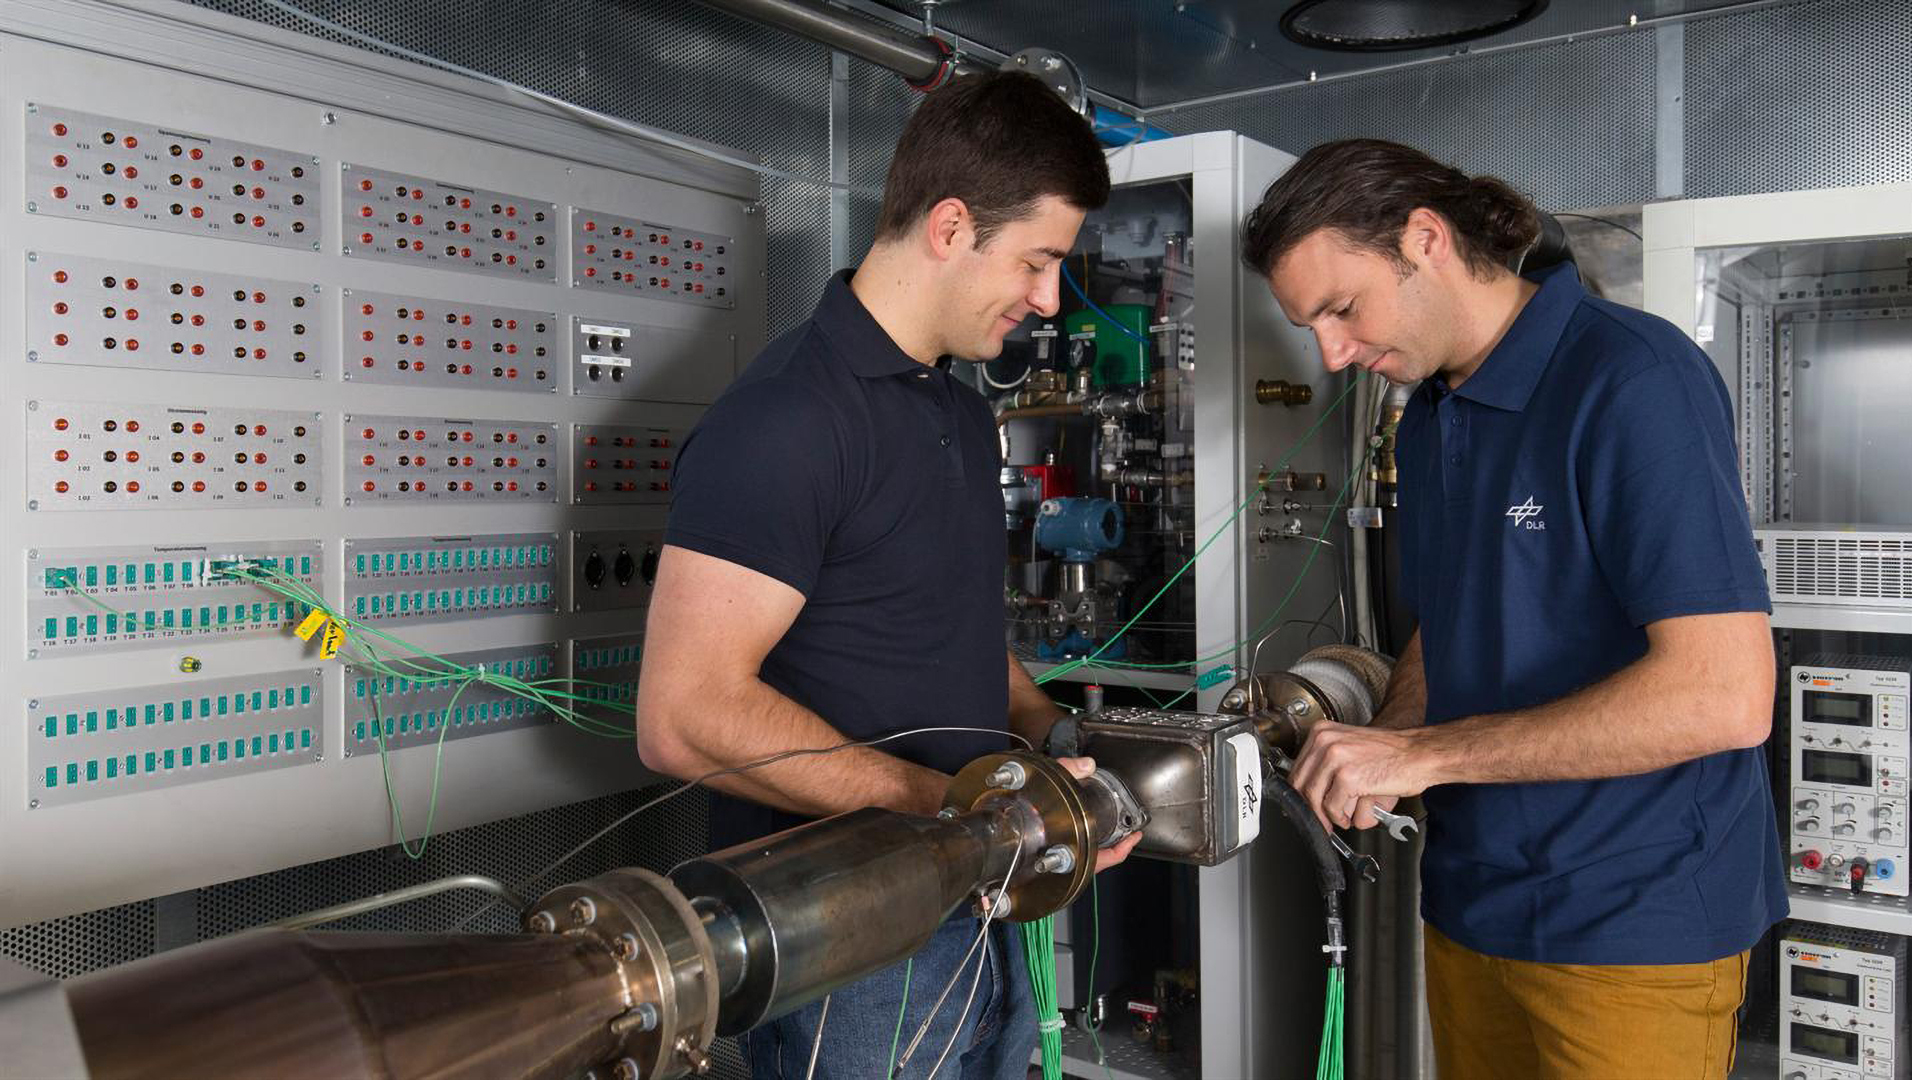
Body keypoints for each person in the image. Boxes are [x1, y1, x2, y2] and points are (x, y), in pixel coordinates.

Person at [1242, 139, 1784, 1078]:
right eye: (1311, 329)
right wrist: (1390, 739)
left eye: (1341, 309)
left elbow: (1723, 695)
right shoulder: (1430, 415)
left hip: (1631, 928)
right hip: (1472, 907)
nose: (1336, 353)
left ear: (1425, 239)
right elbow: (1453, 625)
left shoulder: (1631, 379)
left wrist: (1421, 753)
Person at [636, 70, 1139, 1079]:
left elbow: (944, 633)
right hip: (847, 942)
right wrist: (956, 809)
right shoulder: (787, 420)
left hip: (975, 906)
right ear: (952, 227)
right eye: (1039, 261)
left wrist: (1051, 738)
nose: (1048, 300)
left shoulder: (956, 410)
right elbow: (682, 714)